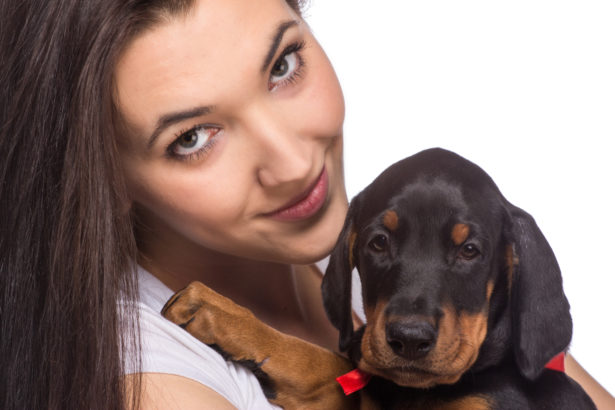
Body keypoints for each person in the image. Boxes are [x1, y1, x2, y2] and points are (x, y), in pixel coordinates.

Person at [0, 0, 612, 409]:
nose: (294, 165)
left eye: (283, 65)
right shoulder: (154, 380)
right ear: (99, 174)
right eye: (191, 137)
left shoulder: (375, 266)